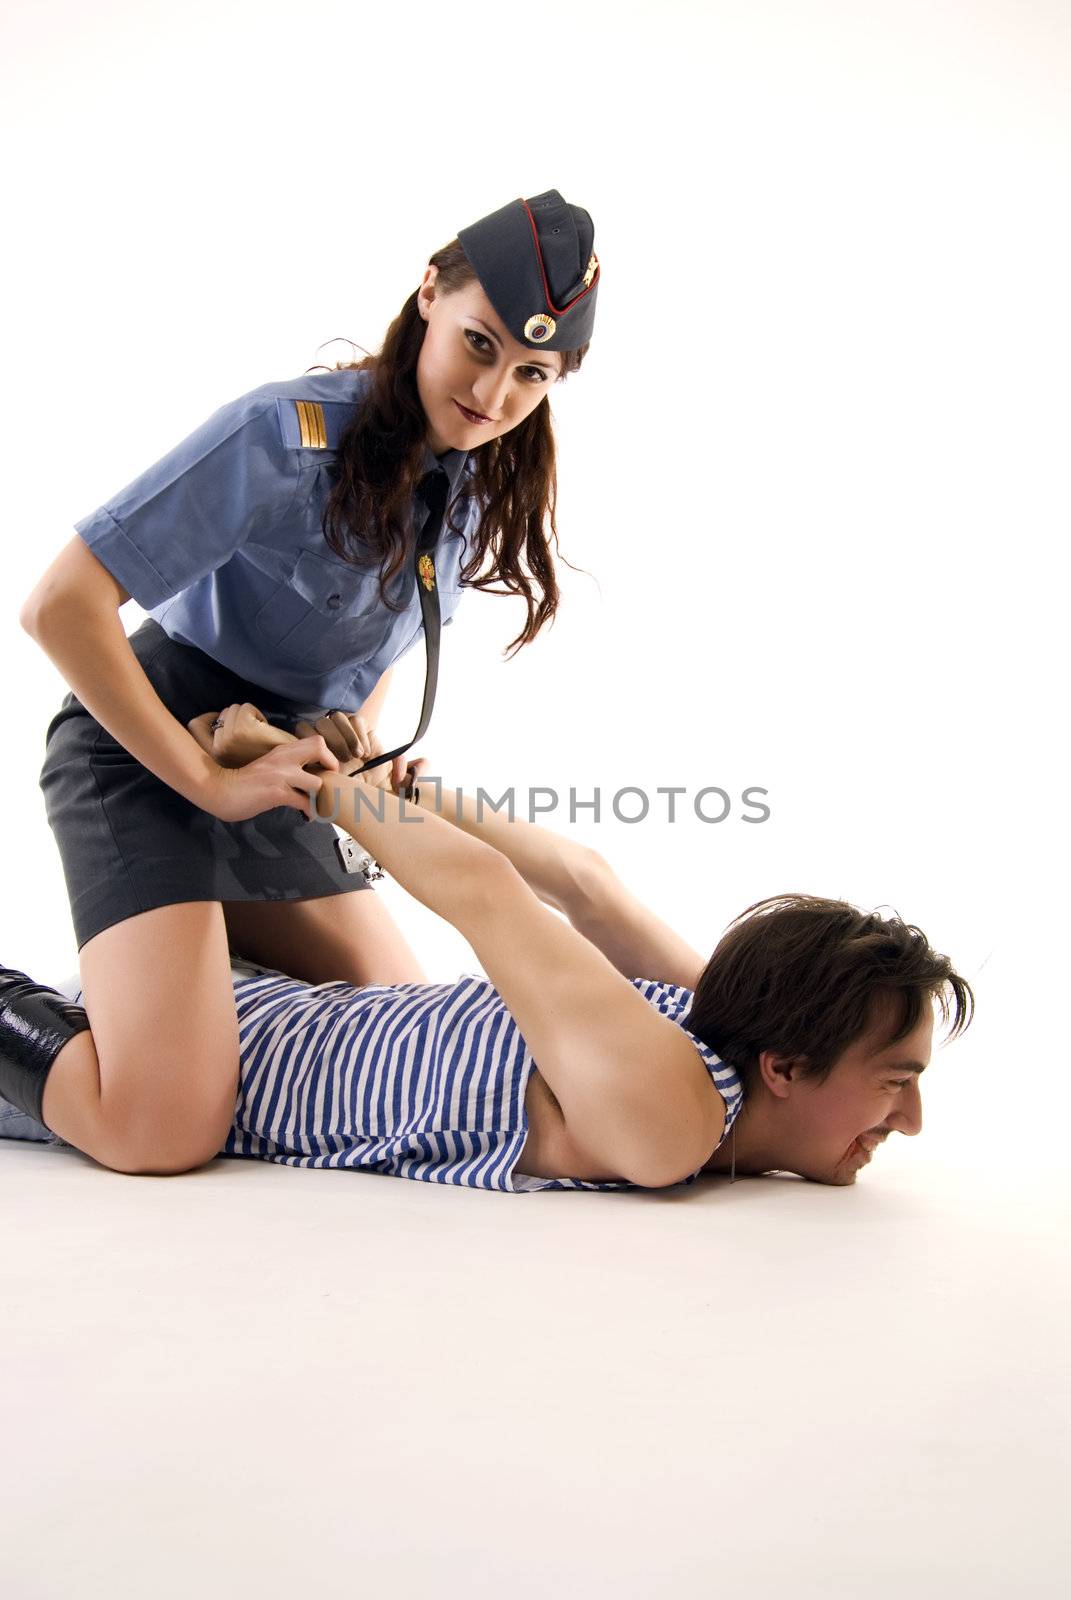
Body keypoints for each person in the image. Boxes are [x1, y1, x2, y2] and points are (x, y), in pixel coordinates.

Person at [6, 189, 600, 1178]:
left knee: (412, 1044)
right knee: (160, 1130)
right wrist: (206, 785)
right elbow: (58, 606)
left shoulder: (473, 478)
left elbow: (365, 655)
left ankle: (158, 1003)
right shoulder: (284, 433)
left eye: (532, 373)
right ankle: (130, 1039)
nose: (495, 395)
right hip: (145, 746)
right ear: (428, 293)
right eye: (480, 343)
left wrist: (352, 750)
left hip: (274, 768)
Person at [1, 706, 974, 1192]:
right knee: (150, 1129)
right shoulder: (673, 1118)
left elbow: (588, 881)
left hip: (265, 999)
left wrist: (384, 784)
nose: (915, 1118)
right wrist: (333, 781)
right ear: (786, 1066)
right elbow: (492, 894)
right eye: (896, 1079)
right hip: (197, 1057)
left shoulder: (724, 1031)